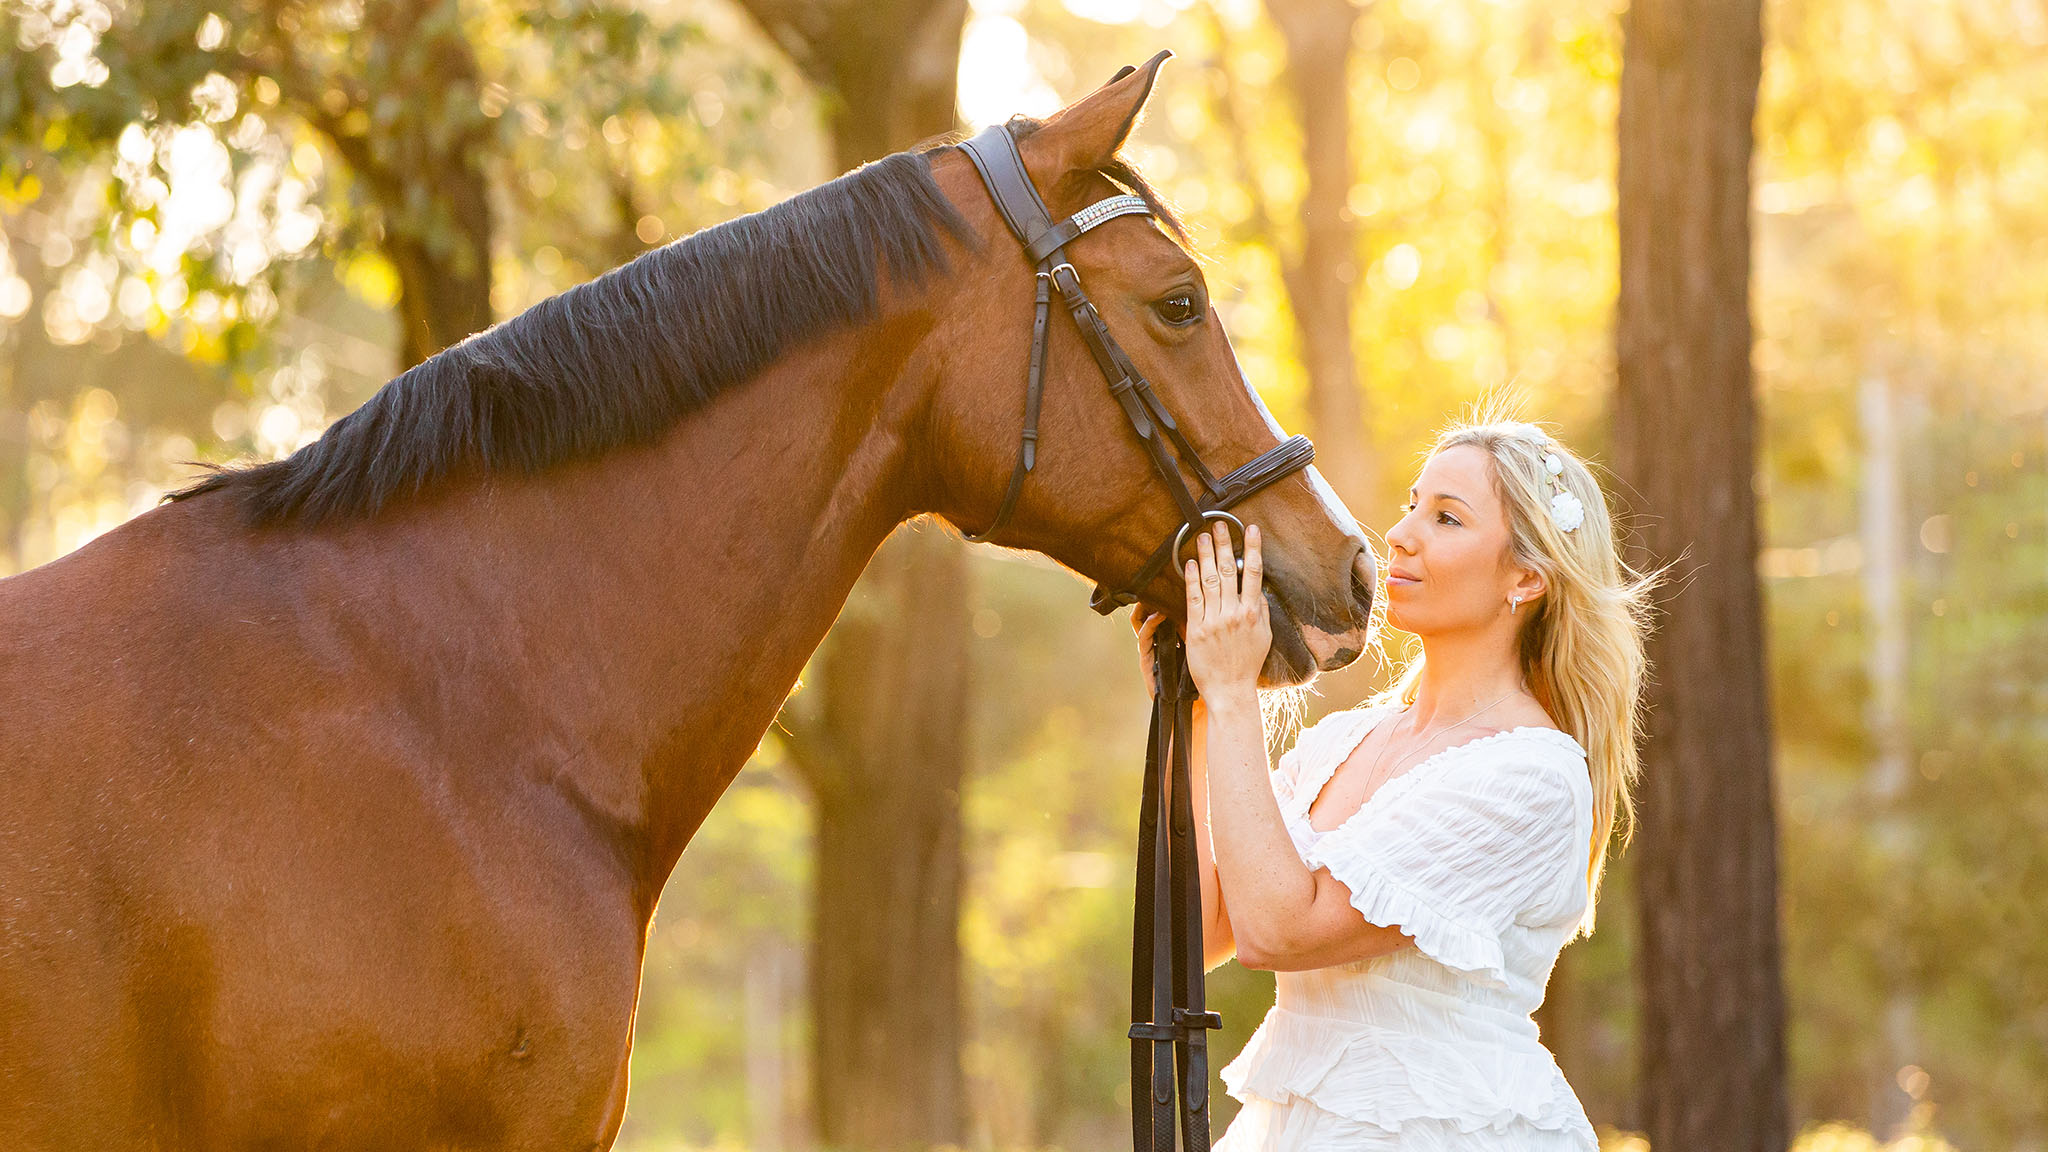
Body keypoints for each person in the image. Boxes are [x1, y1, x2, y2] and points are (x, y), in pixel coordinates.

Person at [1136, 419, 1658, 1150]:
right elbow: (1207, 932)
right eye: (1413, 505)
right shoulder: (1344, 742)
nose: (1401, 534)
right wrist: (1193, 708)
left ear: (1528, 578)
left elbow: (1279, 930)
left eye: (1446, 517)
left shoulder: (1531, 775)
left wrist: (1234, 698)